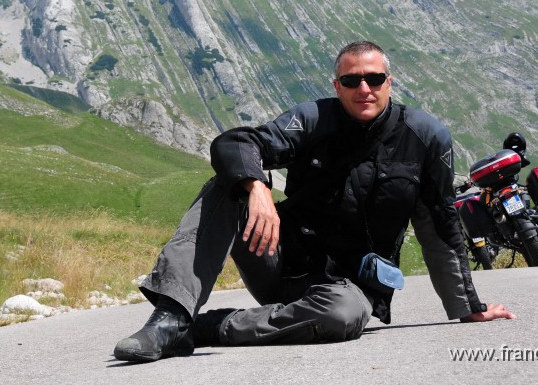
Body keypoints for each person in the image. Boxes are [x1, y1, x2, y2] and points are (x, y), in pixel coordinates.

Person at [113, 40, 514, 362]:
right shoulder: (311, 120)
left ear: (390, 82)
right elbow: (238, 142)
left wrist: (467, 306)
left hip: (348, 286)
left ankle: (204, 327)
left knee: (342, 316)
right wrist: (256, 186)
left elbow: (439, 223)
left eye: (374, 78)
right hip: (279, 259)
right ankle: (170, 317)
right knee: (227, 183)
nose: (364, 89)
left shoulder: (426, 137)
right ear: (336, 85)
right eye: (351, 80)